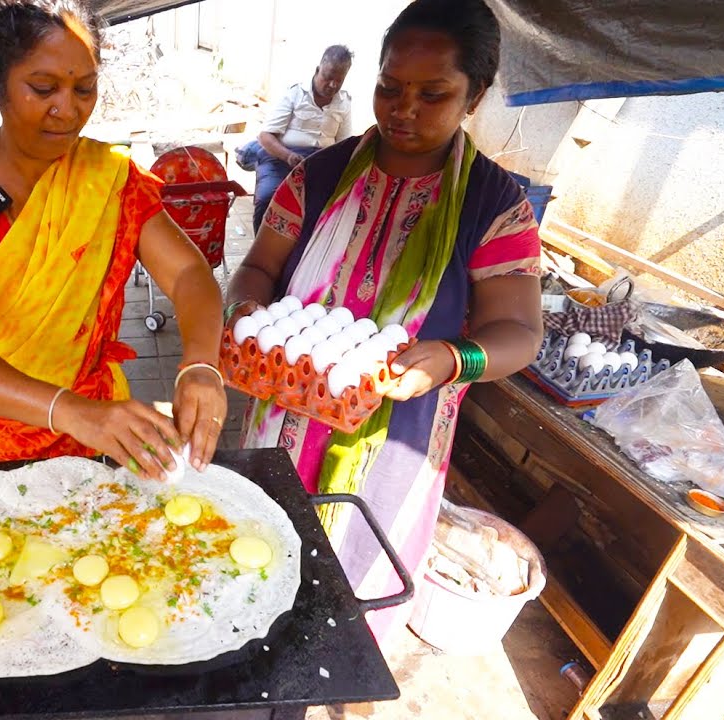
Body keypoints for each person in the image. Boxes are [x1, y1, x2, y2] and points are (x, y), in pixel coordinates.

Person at [225, 0, 543, 644]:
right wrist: (247, 313)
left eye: (433, 94)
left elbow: (519, 333)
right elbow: (257, 268)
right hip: (282, 405)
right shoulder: (318, 176)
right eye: (390, 87)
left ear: (474, 96)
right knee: (254, 566)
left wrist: (457, 360)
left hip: (398, 432)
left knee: (347, 587)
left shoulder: (493, 203)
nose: (404, 109)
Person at [0, 0, 227, 480]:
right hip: (3, 435)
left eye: (85, 88)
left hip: (104, 428)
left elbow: (186, 272)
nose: (68, 109)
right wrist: (72, 411)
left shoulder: (108, 178)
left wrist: (201, 365)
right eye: (43, 88)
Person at [237, 45, 354, 233]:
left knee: (324, 206)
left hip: (320, 164)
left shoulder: (344, 103)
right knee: (268, 198)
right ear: (317, 70)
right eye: (328, 77)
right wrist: (288, 156)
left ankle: (301, 255)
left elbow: (345, 145)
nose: (332, 85)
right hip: (281, 159)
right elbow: (265, 137)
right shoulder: (294, 94)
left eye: (338, 81)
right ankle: (260, 255)